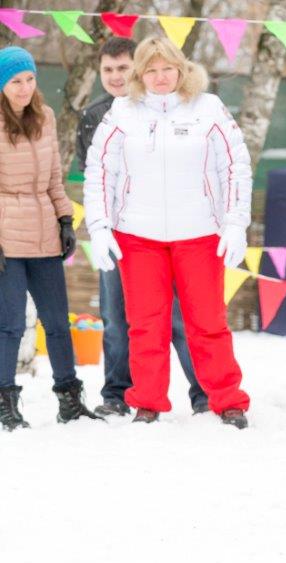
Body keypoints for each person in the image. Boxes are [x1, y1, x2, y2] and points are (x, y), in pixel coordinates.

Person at [83, 36, 252, 428]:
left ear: (181, 69)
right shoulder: (121, 112)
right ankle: (147, 402)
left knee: (208, 321)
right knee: (146, 324)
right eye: (151, 70)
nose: (160, 77)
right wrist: (100, 226)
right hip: (137, 235)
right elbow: (100, 173)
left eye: (167, 68)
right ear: (140, 75)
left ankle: (227, 399)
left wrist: (235, 222)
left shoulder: (208, 108)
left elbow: (235, 167)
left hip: (199, 232)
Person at [76, 37, 208, 418]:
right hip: (116, 234)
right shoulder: (95, 115)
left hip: (167, 230)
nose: (116, 76)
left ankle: (203, 393)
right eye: (108, 69)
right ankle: (117, 392)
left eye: (123, 67)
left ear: (137, 69)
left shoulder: (166, 107)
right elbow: (95, 176)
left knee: (180, 317)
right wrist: (101, 227)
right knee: (116, 317)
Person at [0, 47, 99, 430]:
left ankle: (70, 400)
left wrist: (64, 219)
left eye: (29, 79)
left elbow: (55, 177)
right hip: (7, 237)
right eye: (15, 82)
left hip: (43, 233)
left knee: (57, 321)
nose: (25, 88)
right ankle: (5, 403)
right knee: (9, 324)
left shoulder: (45, 117)